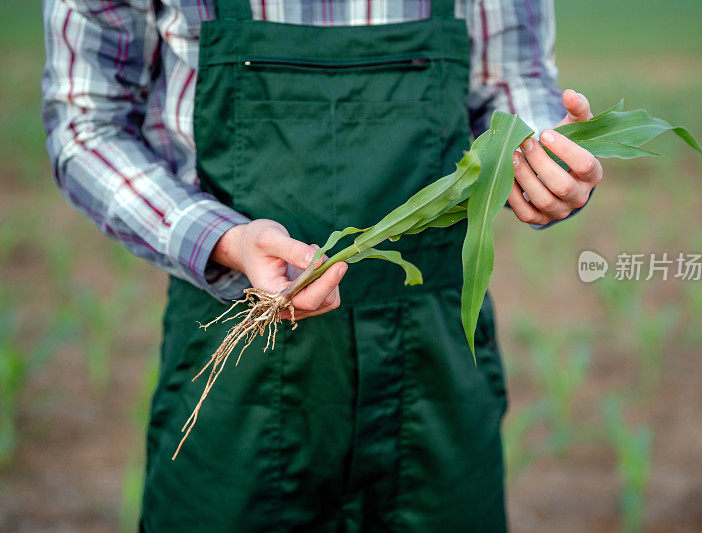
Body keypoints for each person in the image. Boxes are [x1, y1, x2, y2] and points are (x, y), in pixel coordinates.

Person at [42, 0, 602, 530]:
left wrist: (540, 156)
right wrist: (225, 241)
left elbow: (512, 84)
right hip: (235, 349)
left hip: (436, 364)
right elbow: (86, 123)